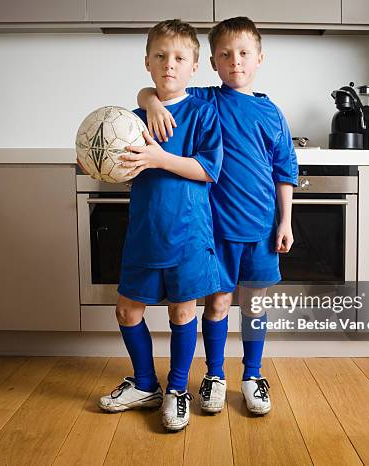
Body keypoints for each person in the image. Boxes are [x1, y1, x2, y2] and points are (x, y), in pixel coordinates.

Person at [137, 16, 298, 415]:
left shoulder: (272, 114)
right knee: (218, 304)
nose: (235, 61)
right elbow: (155, 89)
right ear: (211, 62)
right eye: (225, 54)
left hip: (261, 228)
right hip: (215, 231)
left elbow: (284, 172)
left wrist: (286, 221)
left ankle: (253, 374)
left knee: (255, 305)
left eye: (243, 53)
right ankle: (214, 374)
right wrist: (150, 102)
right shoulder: (205, 102)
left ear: (260, 58)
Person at [97, 19, 223, 432]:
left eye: (179, 58)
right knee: (127, 309)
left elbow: (207, 170)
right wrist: (96, 160)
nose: (170, 64)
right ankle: (146, 383)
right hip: (144, 235)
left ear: (194, 66)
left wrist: (159, 158)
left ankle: (178, 389)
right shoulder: (131, 118)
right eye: (161, 56)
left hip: (189, 235)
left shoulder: (203, 114)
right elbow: (115, 164)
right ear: (147, 63)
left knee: (183, 311)